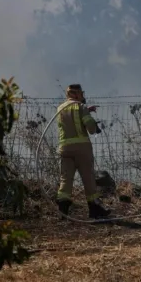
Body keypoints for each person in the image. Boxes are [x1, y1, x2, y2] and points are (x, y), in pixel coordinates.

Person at [55, 84, 111, 219]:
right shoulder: (81, 107)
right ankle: (95, 210)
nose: (82, 96)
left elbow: (70, 122)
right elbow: (90, 128)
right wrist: (92, 122)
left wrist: (86, 111)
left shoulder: (60, 108)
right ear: (75, 94)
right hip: (82, 149)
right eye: (81, 94)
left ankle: (63, 212)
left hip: (65, 149)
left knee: (65, 180)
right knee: (88, 178)